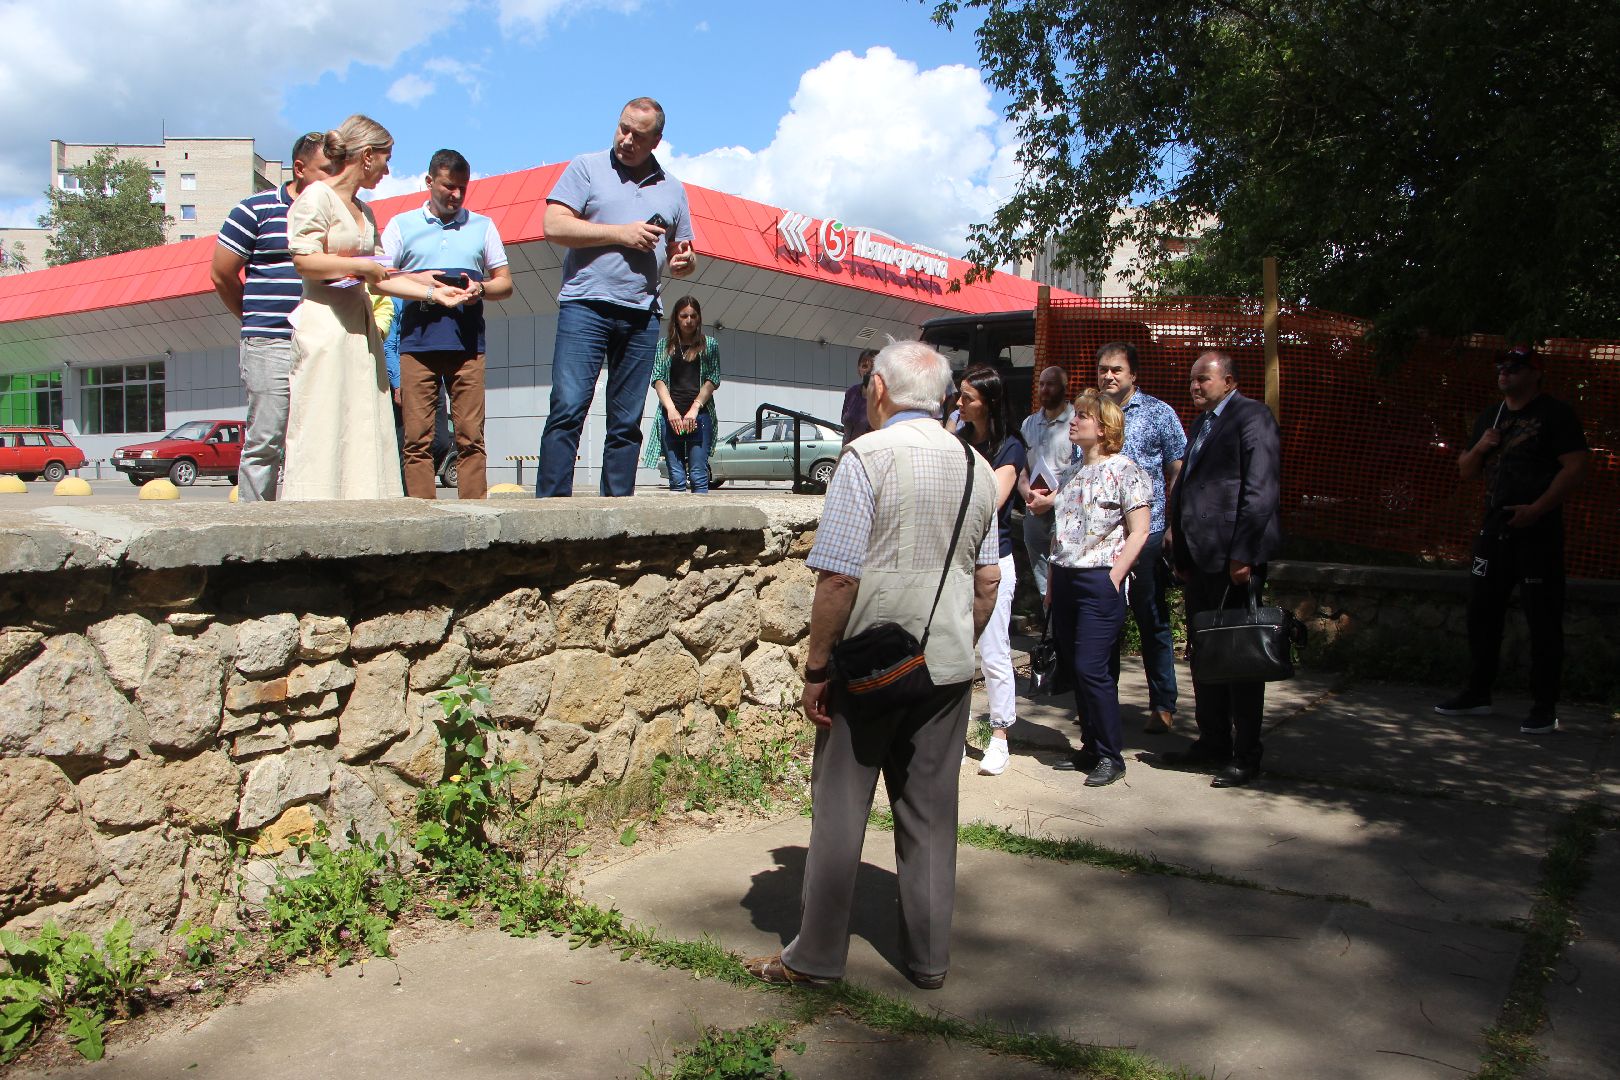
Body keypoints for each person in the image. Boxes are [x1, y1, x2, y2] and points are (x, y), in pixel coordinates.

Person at [745, 341, 999, 992]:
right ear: (941, 397)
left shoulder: (866, 457)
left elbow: (837, 579)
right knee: (932, 818)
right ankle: (928, 961)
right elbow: (989, 582)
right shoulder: (976, 466)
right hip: (944, 671)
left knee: (839, 811)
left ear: (879, 391)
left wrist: (816, 666)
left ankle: (817, 957)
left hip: (867, 670)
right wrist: (951, 642)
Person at [284, 115, 474, 501]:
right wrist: (359, 265)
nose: (388, 170)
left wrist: (431, 291)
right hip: (324, 323)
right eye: (386, 159)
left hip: (360, 325)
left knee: (362, 421)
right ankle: (313, 511)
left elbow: (380, 276)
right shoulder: (316, 197)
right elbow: (305, 261)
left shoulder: (363, 210)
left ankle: (362, 506)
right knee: (323, 417)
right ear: (367, 156)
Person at [535, 97, 697, 497]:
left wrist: (684, 261)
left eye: (638, 135)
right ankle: (549, 513)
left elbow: (684, 250)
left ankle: (617, 514)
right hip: (585, 306)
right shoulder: (586, 167)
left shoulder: (673, 189)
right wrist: (619, 232)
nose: (626, 139)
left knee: (626, 422)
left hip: (642, 313)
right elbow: (552, 225)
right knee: (569, 408)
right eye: (623, 128)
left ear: (656, 140)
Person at [1435, 346, 1588, 733]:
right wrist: (1483, 446)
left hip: (1538, 529)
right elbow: (1466, 470)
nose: (1505, 373)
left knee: (1542, 618)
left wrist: (1537, 508)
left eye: (1515, 368)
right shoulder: (1493, 416)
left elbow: (1575, 468)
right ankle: (1477, 692)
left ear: (1536, 374)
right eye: (1501, 367)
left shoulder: (1555, 414)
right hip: (1494, 526)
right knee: (1481, 612)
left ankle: (1544, 705)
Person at [1162, 351, 1282, 788]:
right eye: (1192, 379)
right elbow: (1191, 485)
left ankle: (1245, 753)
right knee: (1206, 654)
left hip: (1233, 559)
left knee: (1241, 658)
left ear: (1228, 380)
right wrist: (1179, 547)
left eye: (1203, 379)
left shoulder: (1252, 418)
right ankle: (1212, 740)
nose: (1194, 386)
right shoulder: (1203, 422)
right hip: (1199, 558)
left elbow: (1260, 490)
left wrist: (1244, 554)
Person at [381, 149, 513, 501]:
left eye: (462, 188)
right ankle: (421, 523)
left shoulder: (482, 226)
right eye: (447, 186)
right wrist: (423, 283)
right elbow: (380, 276)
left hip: (468, 347)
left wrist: (479, 289)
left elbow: (505, 283)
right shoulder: (400, 225)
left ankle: (475, 521)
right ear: (429, 182)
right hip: (416, 347)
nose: (455, 195)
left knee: (471, 436)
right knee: (417, 440)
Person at [211, 132, 333, 502]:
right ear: (300, 168)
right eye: (327, 170)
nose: (334, 178)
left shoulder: (334, 213)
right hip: (270, 342)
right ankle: (253, 529)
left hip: (320, 343)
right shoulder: (254, 210)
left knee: (314, 440)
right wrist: (255, 320)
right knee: (266, 439)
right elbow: (222, 274)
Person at [1047, 390, 1152, 787]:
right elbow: (1062, 535)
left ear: (1104, 427)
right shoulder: (1072, 473)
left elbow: (1139, 531)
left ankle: (1111, 754)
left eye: (1083, 417)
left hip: (1100, 578)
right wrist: (1053, 585)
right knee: (1078, 667)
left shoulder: (1125, 469)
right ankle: (1090, 746)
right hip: (1068, 579)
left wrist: (1115, 575)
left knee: (1093, 667)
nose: (1074, 422)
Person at [1096, 342, 1187, 733]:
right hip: (1102, 537)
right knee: (1104, 623)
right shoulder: (1091, 413)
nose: (1108, 376)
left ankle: (1163, 705)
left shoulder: (1158, 413)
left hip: (1145, 535)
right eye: (1103, 369)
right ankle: (1103, 704)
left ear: (1133, 374)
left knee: (1152, 620)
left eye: (1116, 369)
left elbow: (1177, 471)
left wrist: (1172, 525)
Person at [953, 365, 1028, 776]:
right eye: (959, 396)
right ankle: (955, 735)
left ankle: (1000, 737)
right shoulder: (959, 440)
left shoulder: (1010, 446)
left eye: (968, 398)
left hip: (993, 558)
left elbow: (993, 500)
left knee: (995, 651)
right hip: (959, 558)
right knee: (956, 650)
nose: (960, 403)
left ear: (990, 402)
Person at [641, 295, 720, 492]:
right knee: (675, 476)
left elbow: (713, 379)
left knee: (698, 475)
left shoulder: (709, 344)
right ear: (676, 317)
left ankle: (703, 523)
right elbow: (658, 379)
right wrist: (672, 410)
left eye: (693, 316)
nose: (689, 321)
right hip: (670, 416)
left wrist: (694, 409)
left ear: (699, 318)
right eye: (684, 316)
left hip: (699, 416)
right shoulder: (664, 346)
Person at [1019, 366, 1077, 609]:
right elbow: (1020, 467)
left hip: (1065, 512)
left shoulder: (1076, 422)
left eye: (1051, 384)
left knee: (1064, 578)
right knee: (1042, 579)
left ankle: (1064, 635)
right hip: (1033, 511)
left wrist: (1052, 500)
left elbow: (1082, 471)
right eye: (1041, 384)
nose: (1044, 389)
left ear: (1065, 387)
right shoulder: (1029, 424)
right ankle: (1050, 636)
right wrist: (1026, 493)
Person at [840, 349, 878, 445]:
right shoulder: (852, 392)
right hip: (847, 450)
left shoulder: (884, 395)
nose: (868, 371)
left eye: (873, 367)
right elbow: (843, 419)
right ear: (859, 368)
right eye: (864, 366)